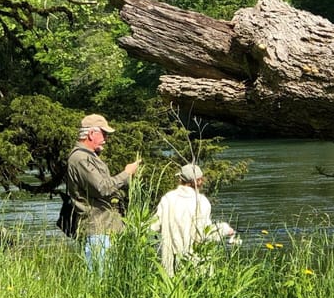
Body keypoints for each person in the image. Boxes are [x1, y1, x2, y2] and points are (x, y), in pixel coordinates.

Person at [65, 114, 140, 271]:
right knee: (99, 279)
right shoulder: (80, 159)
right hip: (97, 230)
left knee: (106, 278)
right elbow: (103, 188)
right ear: (91, 134)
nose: (106, 138)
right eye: (104, 134)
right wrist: (127, 174)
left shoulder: (87, 157)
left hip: (104, 229)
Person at [149, 163, 238, 277]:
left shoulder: (168, 198)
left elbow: (153, 226)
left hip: (171, 266)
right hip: (197, 266)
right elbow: (205, 234)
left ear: (180, 179)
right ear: (200, 180)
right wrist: (225, 229)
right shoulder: (201, 201)